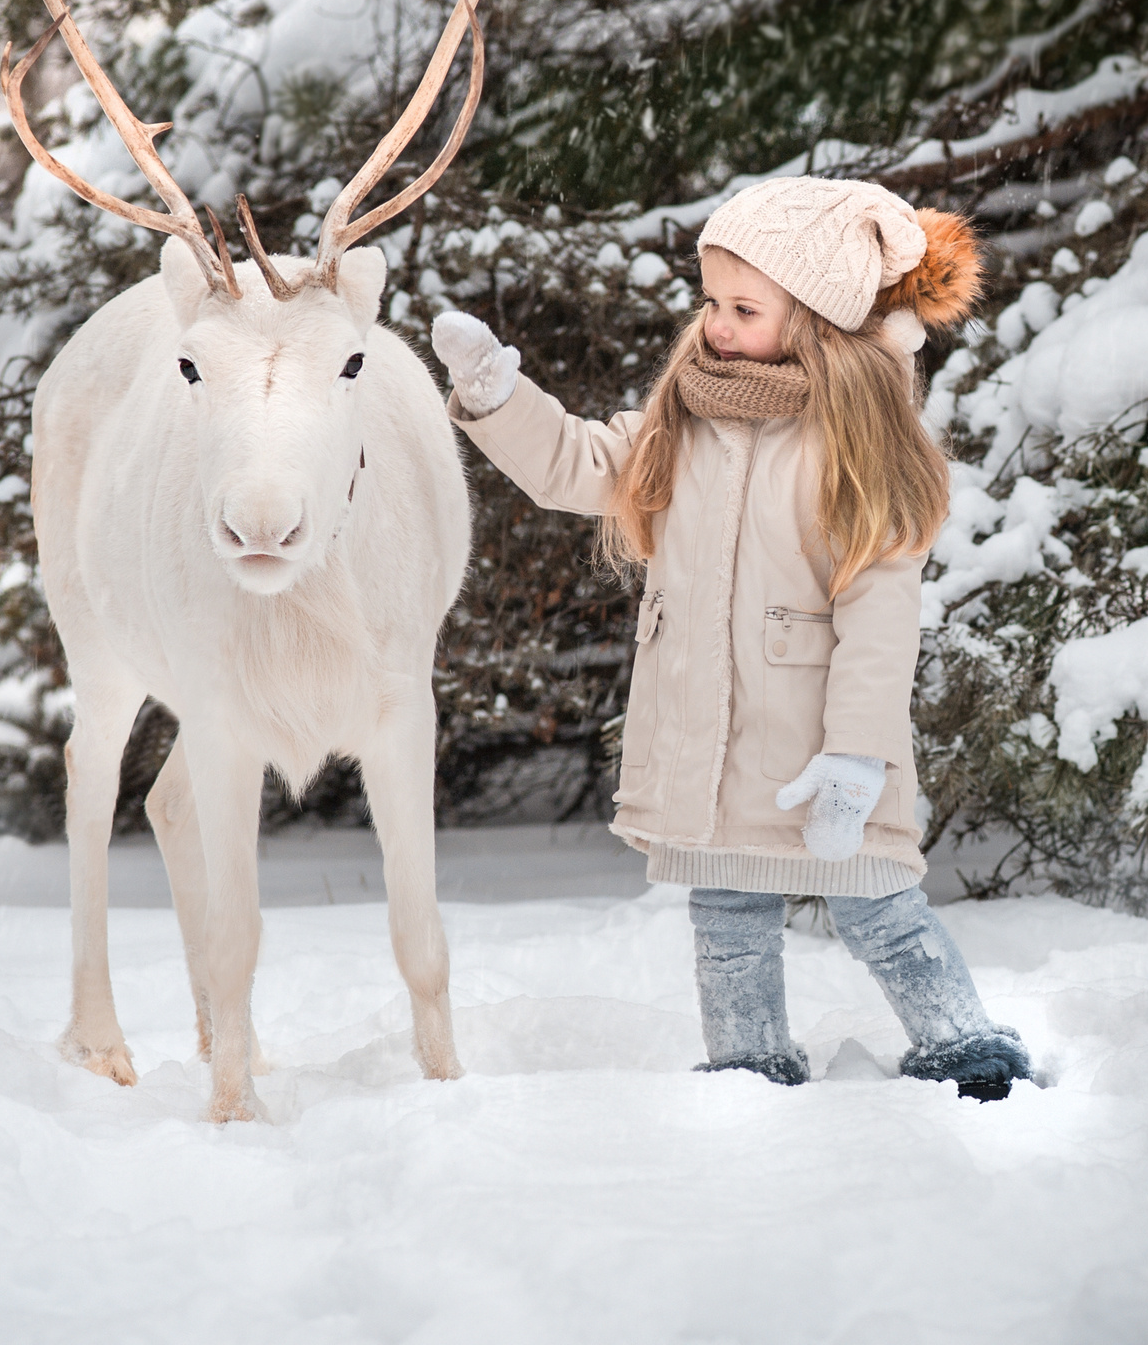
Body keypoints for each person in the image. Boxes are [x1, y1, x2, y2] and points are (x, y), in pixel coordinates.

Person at [430, 177, 1032, 1098]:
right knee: (728, 917)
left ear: (818, 317)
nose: (716, 324)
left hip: (823, 753)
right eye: (711, 302)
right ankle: (747, 1066)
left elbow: (881, 617)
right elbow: (578, 464)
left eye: (744, 308)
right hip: (713, 746)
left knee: (880, 910)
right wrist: (496, 394)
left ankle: (964, 1046)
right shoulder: (689, 416)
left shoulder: (855, 440)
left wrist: (858, 756)